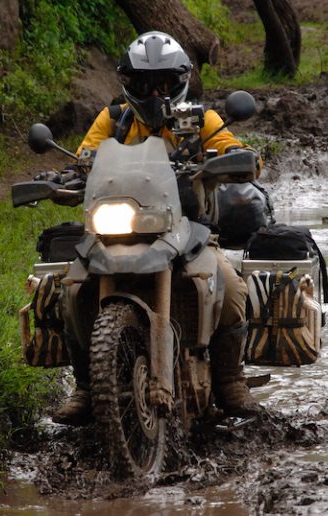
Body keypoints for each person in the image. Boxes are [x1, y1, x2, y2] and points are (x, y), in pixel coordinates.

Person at [47, 31, 261, 426]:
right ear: (127, 82)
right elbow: (83, 159)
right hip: (115, 229)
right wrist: (65, 176)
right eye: (143, 83)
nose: (153, 93)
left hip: (189, 232)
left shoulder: (203, 120)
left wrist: (234, 157)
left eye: (163, 83)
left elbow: (234, 147)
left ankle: (231, 380)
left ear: (180, 80)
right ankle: (85, 387)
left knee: (231, 288)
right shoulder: (112, 120)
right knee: (73, 290)